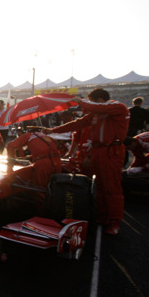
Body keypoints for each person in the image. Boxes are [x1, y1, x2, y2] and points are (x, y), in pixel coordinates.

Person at [44, 88, 129, 235]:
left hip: (111, 151)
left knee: (112, 187)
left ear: (100, 100)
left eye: (92, 101)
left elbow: (93, 109)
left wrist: (81, 101)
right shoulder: (97, 113)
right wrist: (53, 131)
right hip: (97, 150)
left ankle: (115, 221)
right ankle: (102, 216)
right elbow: (78, 123)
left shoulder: (118, 107)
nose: (89, 105)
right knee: (98, 186)